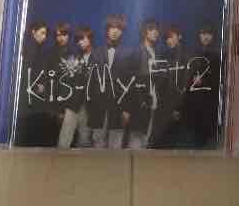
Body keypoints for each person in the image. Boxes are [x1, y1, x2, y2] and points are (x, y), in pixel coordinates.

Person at [87, 15, 130, 149]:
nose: (115, 31)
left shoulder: (128, 54)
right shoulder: (96, 53)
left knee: (115, 146)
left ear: (122, 32)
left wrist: (127, 109)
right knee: (97, 144)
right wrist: (91, 106)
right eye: (112, 27)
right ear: (107, 30)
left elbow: (130, 84)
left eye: (119, 28)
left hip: (118, 107)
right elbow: (90, 82)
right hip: (98, 107)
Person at [126, 19, 161, 149]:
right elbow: (134, 80)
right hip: (141, 103)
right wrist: (140, 102)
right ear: (144, 32)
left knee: (146, 140)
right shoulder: (139, 51)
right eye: (151, 29)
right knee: (136, 140)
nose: (155, 32)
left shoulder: (155, 52)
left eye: (156, 30)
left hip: (152, 101)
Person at [57, 25, 94, 148]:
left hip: (90, 105)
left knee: (85, 140)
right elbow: (66, 82)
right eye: (77, 40)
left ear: (90, 38)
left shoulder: (99, 55)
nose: (79, 42)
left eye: (82, 38)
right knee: (64, 141)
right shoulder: (73, 57)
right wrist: (62, 107)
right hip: (73, 104)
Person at [185, 23, 221, 148]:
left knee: (205, 136)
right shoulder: (193, 53)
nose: (206, 36)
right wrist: (193, 79)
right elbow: (188, 74)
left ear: (213, 36)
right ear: (199, 35)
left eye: (209, 33)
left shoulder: (217, 54)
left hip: (209, 98)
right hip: (194, 97)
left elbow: (219, 78)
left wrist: (203, 81)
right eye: (203, 33)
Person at [17, 21, 53, 146]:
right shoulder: (32, 48)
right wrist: (37, 85)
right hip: (30, 96)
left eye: (46, 34)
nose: (44, 37)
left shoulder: (34, 47)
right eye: (42, 33)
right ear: (33, 32)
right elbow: (28, 70)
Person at [153, 25, 188, 148]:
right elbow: (160, 81)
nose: (169, 40)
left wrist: (179, 107)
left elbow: (185, 84)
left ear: (179, 37)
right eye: (167, 38)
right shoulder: (164, 55)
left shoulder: (186, 56)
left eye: (172, 37)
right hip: (164, 103)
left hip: (178, 104)